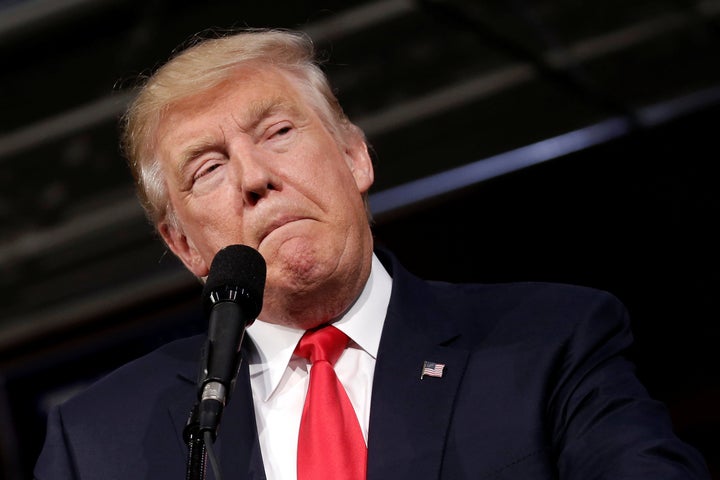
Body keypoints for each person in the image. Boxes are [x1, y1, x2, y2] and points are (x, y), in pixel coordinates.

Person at [34, 27, 711, 480]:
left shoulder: (550, 342)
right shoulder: (98, 443)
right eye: (207, 169)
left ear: (355, 155)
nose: (253, 178)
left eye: (277, 131)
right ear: (184, 245)